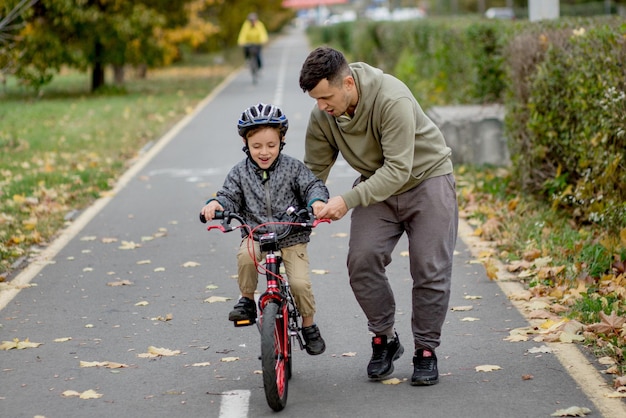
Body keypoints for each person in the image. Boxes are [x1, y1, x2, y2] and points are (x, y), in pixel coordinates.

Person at [298, 46, 458, 383]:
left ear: (348, 84)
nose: (322, 106)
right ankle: (384, 338)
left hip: (425, 179)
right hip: (377, 186)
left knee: (429, 267)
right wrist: (312, 199)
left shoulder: (391, 98)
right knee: (362, 260)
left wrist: (346, 200)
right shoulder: (324, 115)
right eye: (316, 100)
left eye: (326, 97)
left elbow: (399, 170)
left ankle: (426, 350)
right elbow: (313, 170)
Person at [200, 103, 329, 355]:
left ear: (281, 141)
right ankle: (247, 300)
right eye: (256, 146)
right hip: (256, 234)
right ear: (245, 144)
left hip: (292, 234)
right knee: (246, 256)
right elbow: (228, 196)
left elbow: (313, 186)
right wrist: (216, 203)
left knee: (300, 283)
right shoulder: (239, 173)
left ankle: (309, 325)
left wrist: (316, 202)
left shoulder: (293, 168)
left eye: (271, 145)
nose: (264, 152)